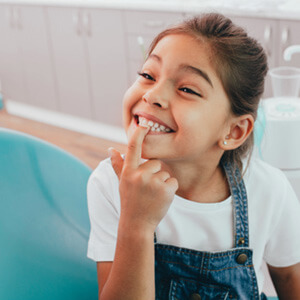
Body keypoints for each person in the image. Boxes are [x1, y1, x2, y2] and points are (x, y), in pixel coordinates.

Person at [87, 13, 300, 299]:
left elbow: (289, 276)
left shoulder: (270, 190)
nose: (152, 95)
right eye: (148, 75)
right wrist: (136, 223)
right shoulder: (110, 183)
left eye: (186, 89)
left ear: (235, 131)